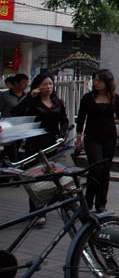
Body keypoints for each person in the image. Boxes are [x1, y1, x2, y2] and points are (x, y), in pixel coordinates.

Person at [12, 72, 69, 226]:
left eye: (50, 84)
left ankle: (57, 205)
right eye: (44, 84)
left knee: (54, 177)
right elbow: (16, 113)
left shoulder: (58, 102)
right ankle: (37, 212)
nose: (48, 87)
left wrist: (62, 136)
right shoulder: (32, 103)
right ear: (38, 86)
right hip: (35, 145)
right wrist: (30, 97)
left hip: (52, 144)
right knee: (36, 178)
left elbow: (64, 121)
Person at [75, 69, 119, 213]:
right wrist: (78, 138)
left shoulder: (115, 98)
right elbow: (81, 118)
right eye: (94, 80)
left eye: (99, 80)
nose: (96, 83)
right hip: (92, 137)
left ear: (107, 82)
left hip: (109, 138)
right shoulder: (87, 98)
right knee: (96, 168)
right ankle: (88, 201)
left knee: (105, 170)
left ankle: (101, 203)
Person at [1, 73, 28, 162]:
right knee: (10, 151)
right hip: (8, 127)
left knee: (20, 151)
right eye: (23, 83)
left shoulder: (27, 96)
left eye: (27, 83)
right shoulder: (5, 96)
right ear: (16, 83)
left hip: (22, 128)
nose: (26, 85)